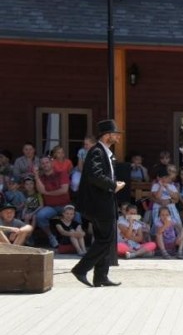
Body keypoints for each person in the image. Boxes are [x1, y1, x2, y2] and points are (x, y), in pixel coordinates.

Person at [71, 119, 125, 288]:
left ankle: (101, 276)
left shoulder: (105, 152)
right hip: (99, 204)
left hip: (103, 202)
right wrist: (114, 185)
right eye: (115, 134)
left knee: (104, 239)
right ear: (107, 135)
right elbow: (95, 176)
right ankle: (81, 269)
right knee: (106, 239)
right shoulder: (97, 152)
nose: (117, 137)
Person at [33, 155, 73, 248]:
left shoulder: (61, 173)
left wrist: (48, 193)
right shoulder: (41, 178)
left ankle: (74, 240)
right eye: (43, 163)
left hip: (64, 205)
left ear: (51, 163)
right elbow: (40, 190)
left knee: (77, 215)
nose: (45, 164)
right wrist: (36, 176)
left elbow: (64, 190)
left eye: (47, 162)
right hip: (50, 207)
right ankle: (51, 237)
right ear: (41, 166)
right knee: (40, 216)